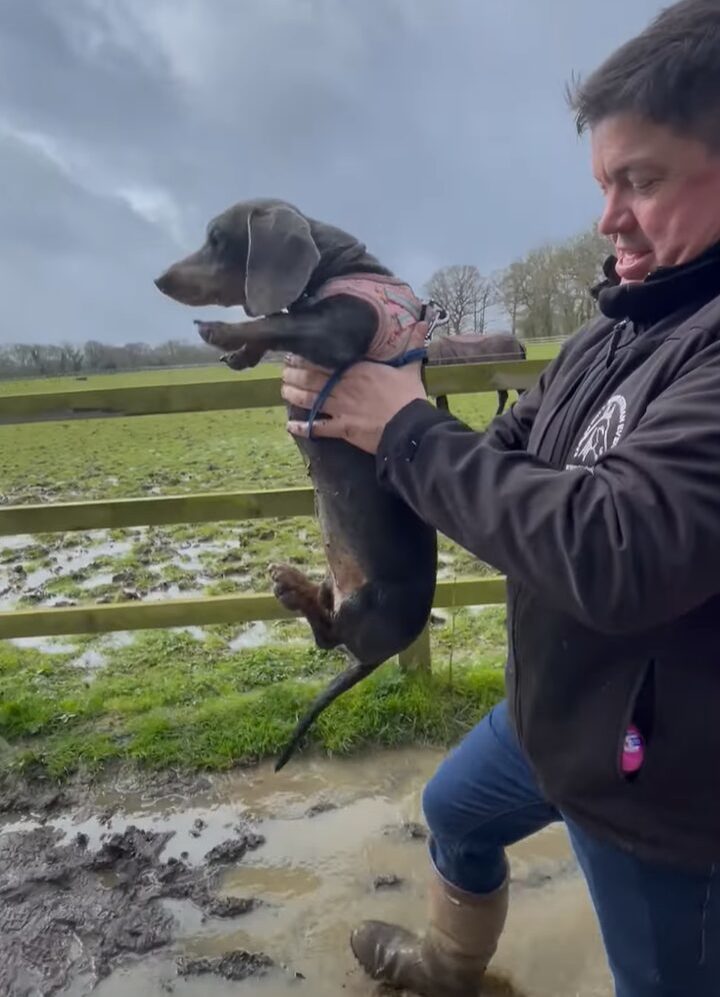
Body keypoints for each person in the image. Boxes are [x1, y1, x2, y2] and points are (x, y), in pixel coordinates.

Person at [279, 2, 720, 994]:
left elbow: (618, 553)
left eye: (640, 181)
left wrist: (405, 427)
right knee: (456, 812)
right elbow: (497, 467)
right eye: (604, 184)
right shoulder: (622, 322)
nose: (608, 219)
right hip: (556, 713)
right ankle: (450, 966)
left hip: (664, 786)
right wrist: (357, 432)